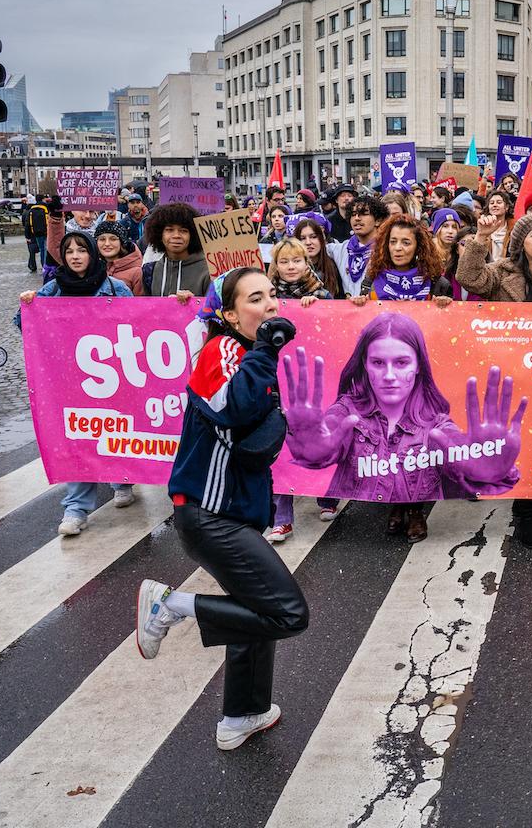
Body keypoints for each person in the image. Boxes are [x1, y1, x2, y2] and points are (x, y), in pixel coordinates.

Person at [135, 267, 309, 751]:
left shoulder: (250, 355)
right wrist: (268, 349)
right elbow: (231, 409)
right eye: (257, 298)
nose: (272, 305)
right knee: (288, 613)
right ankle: (171, 605)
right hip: (209, 514)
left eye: (273, 295)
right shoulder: (221, 351)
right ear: (229, 314)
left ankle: (241, 716)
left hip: (234, 512)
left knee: (251, 613)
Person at [283, 313, 530, 542]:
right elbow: (329, 434)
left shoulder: (435, 421)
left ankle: (413, 510)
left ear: (418, 365)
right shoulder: (348, 409)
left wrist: (482, 460)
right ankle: (401, 508)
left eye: (401, 362)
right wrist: (312, 447)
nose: (389, 375)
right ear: (365, 365)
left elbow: (455, 447)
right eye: (378, 362)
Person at [457, 211, 532, 547]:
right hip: (508, 370)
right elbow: (468, 277)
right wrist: (481, 239)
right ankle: (518, 506)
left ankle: (528, 505)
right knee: (512, 437)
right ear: (520, 242)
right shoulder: (500, 274)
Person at [18, 233, 139, 534]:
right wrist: (29, 305)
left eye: (81, 250)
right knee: (79, 440)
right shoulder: (54, 288)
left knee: (116, 429)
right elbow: (25, 324)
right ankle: (76, 509)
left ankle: (122, 478)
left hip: (112, 374)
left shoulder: (115, 288)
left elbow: (139, 323)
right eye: (68, 251)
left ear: (92, 254)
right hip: (70, 379)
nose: (74, 256)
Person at [264, 239, 338, 544]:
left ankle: (326, 496)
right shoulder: (264, 297)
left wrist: (316, 307)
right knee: (280, 448)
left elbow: (336, 327)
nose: (291, 267)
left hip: (314, 379)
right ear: (276, 265)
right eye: (284, 262)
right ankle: (282, 519)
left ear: (307, 262)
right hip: (278, 380)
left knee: (317, 437)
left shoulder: (322, 293)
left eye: (297, 260)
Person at [359, 213, 451, 301]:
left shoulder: (437, 283)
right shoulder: (373, 276)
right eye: (393, 242)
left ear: (418, 247)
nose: (397, 248)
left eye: (406, 243)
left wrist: (445, 304)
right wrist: (359, 302)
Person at [142, 203, 213, 298]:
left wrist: (194, 303)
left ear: (193, 235)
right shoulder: (150, 271)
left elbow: (216, 309)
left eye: (183, 231)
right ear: (159, 235)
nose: (176, 235)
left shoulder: (209, 271)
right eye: (169, 230)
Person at [290, 213, 347, 300]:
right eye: (302, 238)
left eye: (313, 237)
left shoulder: (334, 266)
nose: (308, 242)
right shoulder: (290, 268)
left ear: (321, 239)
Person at [94, 219, 144, 295]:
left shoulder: (137, 272)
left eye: (113, 239)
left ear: (122, 243)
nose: (107, 243)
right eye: (102, 239)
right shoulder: (93, 268)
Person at [23, 197, 48, 273]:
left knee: (41, 248)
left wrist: (27, 236)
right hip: (46, 232)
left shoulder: (31, 211)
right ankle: (45, 265)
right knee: (45, 249)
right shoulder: (46, 208)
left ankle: (43, 265)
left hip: (36, 233)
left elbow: (27, 224)